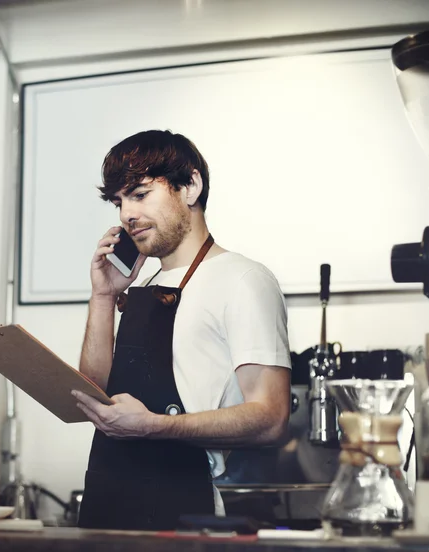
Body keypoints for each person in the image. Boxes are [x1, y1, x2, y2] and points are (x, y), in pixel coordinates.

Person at [72, 130, 292, 530]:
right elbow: (93, 388)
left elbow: (271, 417)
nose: (126, 215)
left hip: (184, 509)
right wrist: (102, 297)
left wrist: (155, 426)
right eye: (120, 202)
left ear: (190, 186)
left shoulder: (243, 279)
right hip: (109, 501)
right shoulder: (139, 286)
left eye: (139, 194)